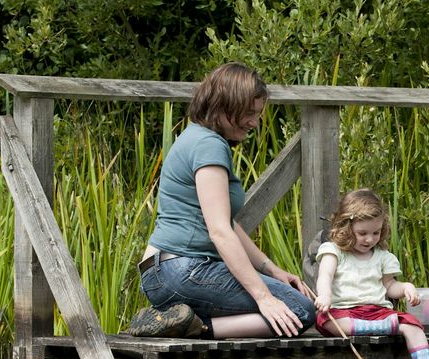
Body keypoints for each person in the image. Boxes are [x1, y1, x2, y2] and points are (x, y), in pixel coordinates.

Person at [126, 62, 315, 339]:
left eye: (257, 114)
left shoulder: (197, 137)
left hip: (164, 271)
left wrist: (273, 270)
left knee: (289, 304)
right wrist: (265, 297)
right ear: (224, 105)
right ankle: (198, 329)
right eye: (249, 113)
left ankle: (174, 321)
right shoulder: (209, 145)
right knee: (299, 309)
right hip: (182, 269)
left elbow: (228, 224)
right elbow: (220, 232)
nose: (254, 122)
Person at [314, 188, 429, 359]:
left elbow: (390, 286)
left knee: (413, 325)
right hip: (345, 312)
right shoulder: (334, 252)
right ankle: (381, 327)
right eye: (362, 233)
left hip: (377, 312)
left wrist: (405, 288)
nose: (369, 239)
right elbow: (325, 275)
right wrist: (325, 295)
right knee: (327, 322)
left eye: (375, 233)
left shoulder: (382, 256)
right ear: (346, 228)